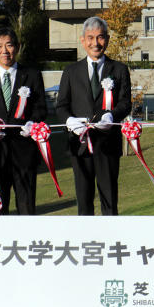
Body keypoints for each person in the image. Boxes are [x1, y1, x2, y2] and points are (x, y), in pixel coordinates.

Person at [56, 16, 132, 215]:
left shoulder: (120, 70)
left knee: (109, 199)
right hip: (79, 144)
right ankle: (86, 241)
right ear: (83, 40)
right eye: (90, 38)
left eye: (100, 37)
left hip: (108, 144)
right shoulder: (71, 71)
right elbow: (61, 105)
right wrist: (69, 121)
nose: (95, 43)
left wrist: (112, 116)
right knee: (84, 199)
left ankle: (110, 241)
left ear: (107, 39)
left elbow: (126, 103)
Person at [0, 27, 47, 215]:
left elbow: (41, 109)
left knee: (27, 206)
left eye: (9, 45)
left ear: (17, 47)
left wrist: (32, 124)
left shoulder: (32, 75)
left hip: (24, 152)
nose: (5, 51)